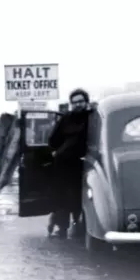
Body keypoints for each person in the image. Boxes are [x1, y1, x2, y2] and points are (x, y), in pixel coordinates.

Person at [46, 88, 92, 238]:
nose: (78, 104)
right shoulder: (65, 119)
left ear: (86, 102)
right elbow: (53, 139)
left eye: (81, 101)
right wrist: (56, 152)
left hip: (84, 164)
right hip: (64, 164)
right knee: (62, 196)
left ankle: (80, 225)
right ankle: (62, 228)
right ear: (71, 104)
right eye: (75, 102)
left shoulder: (93, 118)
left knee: (81, 196)